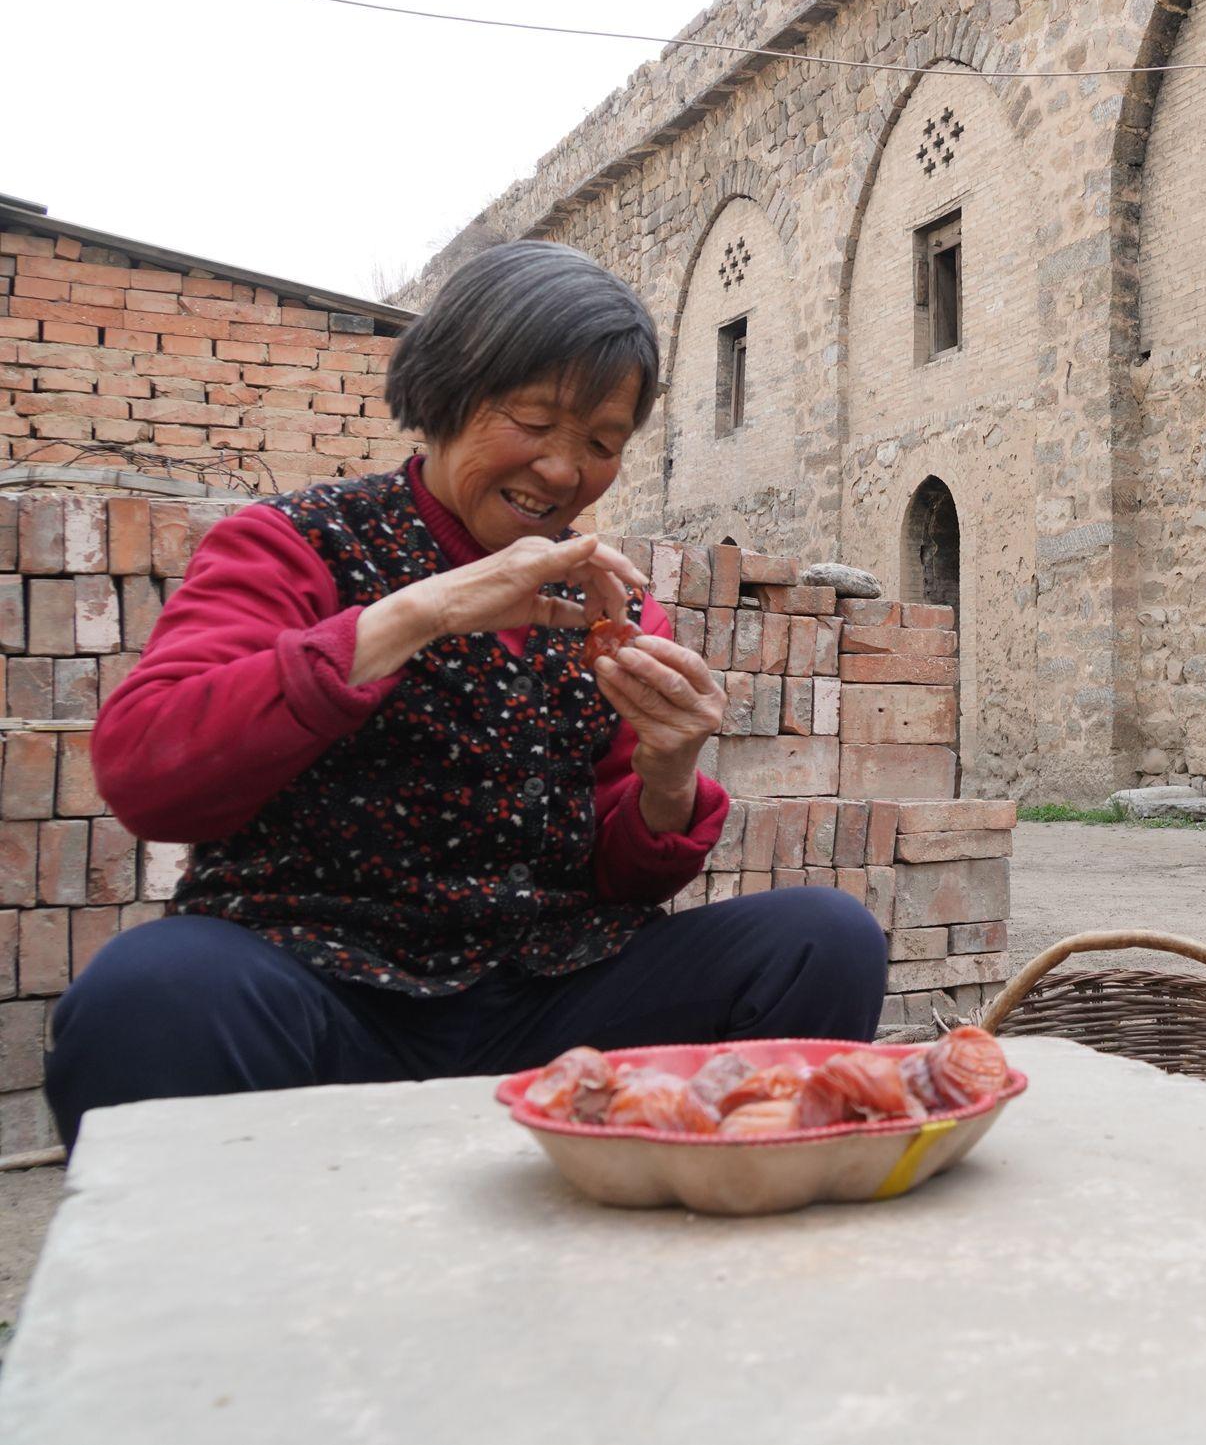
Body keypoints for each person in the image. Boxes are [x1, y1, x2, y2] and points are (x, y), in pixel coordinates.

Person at [48, 241, 887, 1146]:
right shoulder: (297, 544)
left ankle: (698, 1225)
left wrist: (668, 771)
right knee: (147, 995)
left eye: (602, 444)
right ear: (448, 392)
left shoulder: (607, 600)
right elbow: (146, 772)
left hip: (546, 1009)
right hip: (320, 990)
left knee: (823, 937)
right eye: (533, 420)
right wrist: (419, 613)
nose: (567, 471)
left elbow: (621, 870)